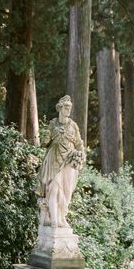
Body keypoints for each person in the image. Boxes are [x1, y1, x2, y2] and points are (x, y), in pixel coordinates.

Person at [38, 95, 85, 228]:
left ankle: (62, 216)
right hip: (54, 159)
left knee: (67, 190)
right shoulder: (53, 124)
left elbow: (79, 143)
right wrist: (51, 134)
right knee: (54, 189)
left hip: (69, 160)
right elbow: (44, 143)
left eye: (69, 107)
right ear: (60, 108)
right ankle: (54, 220)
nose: (68, 110)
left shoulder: (73, 125)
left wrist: (82, 155)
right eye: (66, 107)